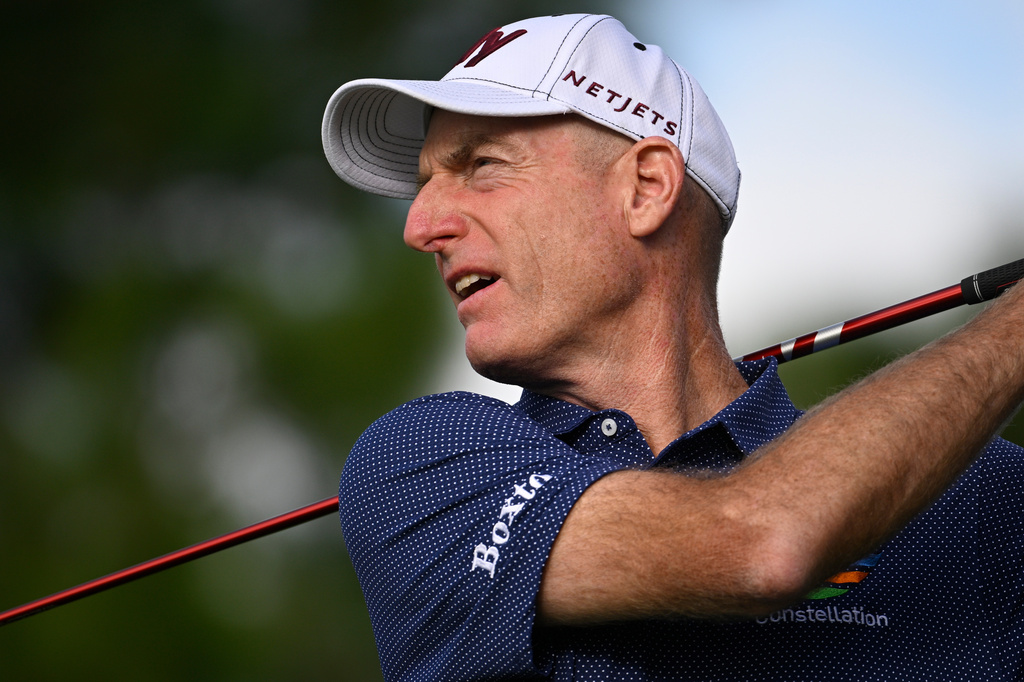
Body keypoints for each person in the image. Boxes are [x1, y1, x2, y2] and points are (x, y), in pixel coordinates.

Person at [321, 13, 1024, 681]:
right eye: (423, 186)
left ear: (647, 188)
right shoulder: (419, 467)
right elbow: (760, 543)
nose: (421, 225)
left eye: (481, 165)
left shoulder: (993, 498)